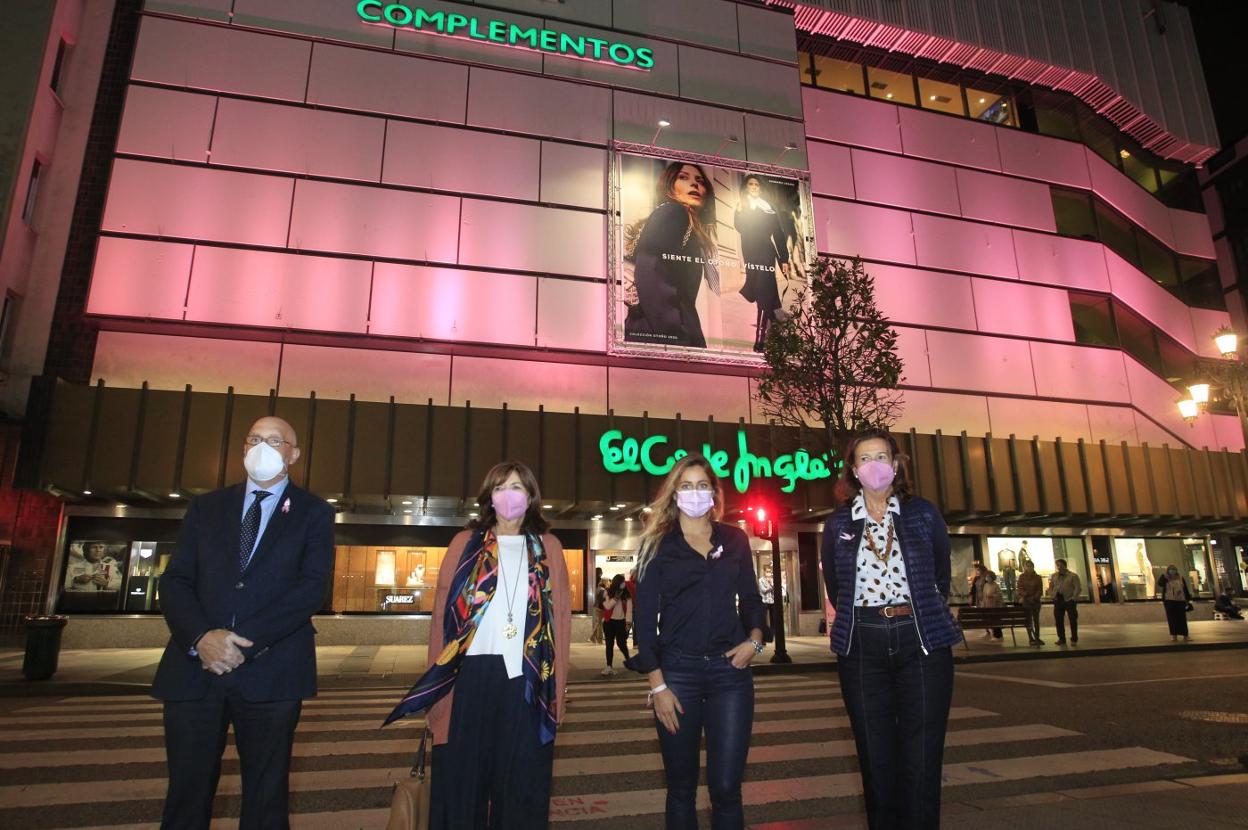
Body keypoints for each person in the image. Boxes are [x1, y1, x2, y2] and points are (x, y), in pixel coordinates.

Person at [151, 416, 334, 830]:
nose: (262, 447)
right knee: (186, 793)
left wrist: (239, 642)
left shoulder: (314, 513)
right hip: (195, 670)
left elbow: (311, 589)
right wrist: (202, 637)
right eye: (254, 439)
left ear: (294, 453)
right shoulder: (206, 507)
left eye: (274, 440)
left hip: (272, 671)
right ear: (242, 449)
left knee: (266, 799)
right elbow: (176, 579)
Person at [384, 461, 570, 829]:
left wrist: (557, 695)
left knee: (520, 790)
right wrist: (437, 694)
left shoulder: (548, 547)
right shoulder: (464, 544)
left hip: (527, 680)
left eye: (517, 487)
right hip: (468, 678)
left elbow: (559, 622)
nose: (509, 495)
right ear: (489, 497)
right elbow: (441, 619)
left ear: (531, 496)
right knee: (461, 790)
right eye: (500, 488)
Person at [821, 428, 960, 829]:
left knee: (921, 758)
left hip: (923, 642)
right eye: (865, 459)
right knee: (875, 759)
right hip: (862, 646)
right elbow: (835, 583)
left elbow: (940, 572)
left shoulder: (923, 513)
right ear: (852, 469)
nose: (875, 466)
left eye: (882, 457)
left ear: (896, 465)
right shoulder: (838, 525)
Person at [632, 454, 770, 830]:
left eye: (702, 485)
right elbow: (643, 623)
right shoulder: (656, 545)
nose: (695, 493)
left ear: (714, 492)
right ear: (675, 493)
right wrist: (657, 684)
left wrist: (755, 642)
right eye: (687, 486)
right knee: (681, 789)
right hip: (678, 674)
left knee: (727, 789)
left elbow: (752, 600)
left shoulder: (735, 539)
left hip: (731, 675)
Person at [625, 162, 719, 348]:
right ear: (670, 185)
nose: (695, 184)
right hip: (666, 335)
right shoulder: (674, 212)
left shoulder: (682, 220)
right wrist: (675, 337)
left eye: (699, 181)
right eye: (683, 177)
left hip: (649, 329)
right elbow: (653, 272)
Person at [734, 174, 791, 352]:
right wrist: (744, 209)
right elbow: (739, 228)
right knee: (764, 293)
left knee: (763, 291)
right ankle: (780, 332)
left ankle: (760, 339)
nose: (754, 187)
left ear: (761, 188)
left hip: (766, 252)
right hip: (750, 253)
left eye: (757, 185)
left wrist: (784, 259)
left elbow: (779, 234)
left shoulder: (768, 207)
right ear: (746, 187)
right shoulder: (741, 206)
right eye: (750, 184)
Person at [602, 573, 633, 676]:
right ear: (617, 583)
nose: (624, 584)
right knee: (609, 644)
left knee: (621, 643)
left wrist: (628, 623)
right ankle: (609, 666)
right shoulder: (607, 592)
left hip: (621, 622)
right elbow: (607, 607)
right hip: (609, 622)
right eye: (622, 582)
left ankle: (628, 659)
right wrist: (615, 598)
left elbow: (629, 610)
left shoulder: (626, 594)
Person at [1047, 558, 1082, 645]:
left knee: (1072, 619)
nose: (1059, 567)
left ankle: (1074, 638)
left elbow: (1078, 587)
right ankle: (1061, 638)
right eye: (1057, 565)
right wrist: (1052, 595)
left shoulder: (1073, 576)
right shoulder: (1054, 576)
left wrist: (1074, 597)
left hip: (1069, 600)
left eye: (1060, 565)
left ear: (1064, 565)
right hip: (1058, 600)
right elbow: (1050, 587)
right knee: (1058, 620)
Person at [1156, 564, 1193, 642]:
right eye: (1171, 569)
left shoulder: (1180, 578)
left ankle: (1185, 635)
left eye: (1174, 569)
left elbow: (1184, 589)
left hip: (1180, 600)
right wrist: (1164, 576)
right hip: (1169, 600)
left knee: (1182, 618)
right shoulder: (1165, 578)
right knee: (1172, 618)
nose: (1172, 571)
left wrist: (1187, 599)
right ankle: (1174, 635)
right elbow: (1159, 583)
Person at [1015, 559, 1044, 645]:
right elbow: (1019, 588)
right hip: (1026, 601)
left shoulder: (1038, 577)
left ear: (1033, 566)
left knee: (1036, 620)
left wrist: (1034, 597)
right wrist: (1026, 595)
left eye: (1030, 566)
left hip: (1035, 602)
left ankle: (1037, 637)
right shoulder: (1022, 577)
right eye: (1027, 566)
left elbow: (1040, 589)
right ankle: (1030, 638)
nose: (1028, 568)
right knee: (1028, 620)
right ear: (1024, 567)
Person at [979, 570, 1004, 639]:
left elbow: (999, 595)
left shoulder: (995, 585)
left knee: (995, 620)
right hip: (987, 605)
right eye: (986, 577)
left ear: (992, 577)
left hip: (994, 605)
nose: (987, 578)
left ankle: (998, 635)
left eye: (988, 577)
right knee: (990, 620)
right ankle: (993, 633)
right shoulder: (986, 585)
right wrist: (983, 605)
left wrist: (993, 596)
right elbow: (984, 595)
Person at [589, 569, 605, 644]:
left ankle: (594, 637)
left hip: (596, 606)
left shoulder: (593, 582)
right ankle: (599, 639)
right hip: (600, 607)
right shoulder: (600, 588)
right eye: (601, 572)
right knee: (600, 623)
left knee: (599, 623)